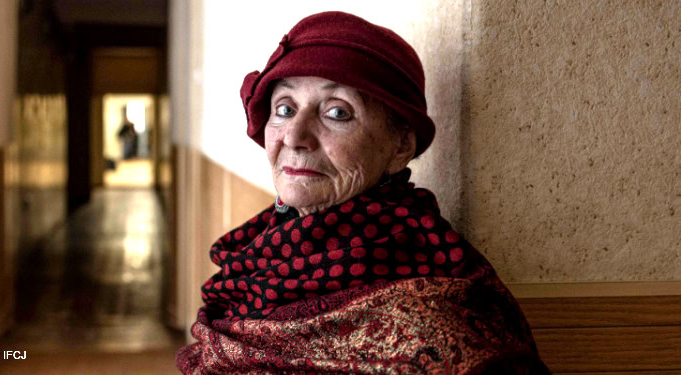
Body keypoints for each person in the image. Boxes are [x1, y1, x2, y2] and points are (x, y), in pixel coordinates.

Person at [176, 11, 551, 374]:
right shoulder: (261, 253)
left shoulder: (436, 319)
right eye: (285, 108)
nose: (294, 136)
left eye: (337, 113)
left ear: (401, 144)